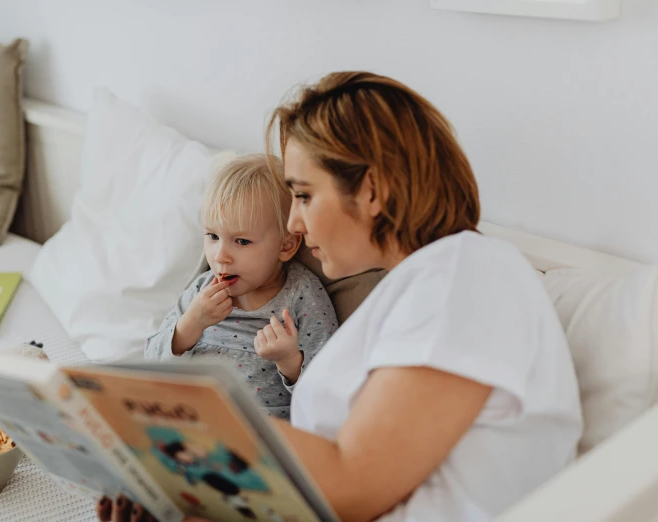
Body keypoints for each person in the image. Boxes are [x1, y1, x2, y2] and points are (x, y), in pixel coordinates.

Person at [98, 71, 582, 522]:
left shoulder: (465, 274)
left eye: (304, 196)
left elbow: (352, 483)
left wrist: (166, 434)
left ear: (371, 189)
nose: (294, 224)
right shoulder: (413, 289)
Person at [144, 153, 336, 419]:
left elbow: (328, 395)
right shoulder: (202, 289)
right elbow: (150, 364)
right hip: (191, 416)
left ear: (286, 245)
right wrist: (190, 325)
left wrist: (289, 361)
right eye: (212, 236)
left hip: (261, 427)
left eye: (242, 241)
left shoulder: (301, 296)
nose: (220, 255)